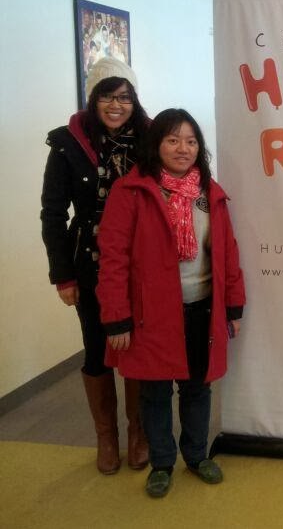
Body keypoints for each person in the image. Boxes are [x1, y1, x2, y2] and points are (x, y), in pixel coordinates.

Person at [96, 108, 246, 498]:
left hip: (202, 309)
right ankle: (162, 463)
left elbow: (227, 253)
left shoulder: (210, 194)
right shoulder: (131, 192)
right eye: (173, 140)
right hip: (151, 315)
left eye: (191, 141)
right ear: (156, 144)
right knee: (155, 393)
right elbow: (113, 259)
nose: (183, 148)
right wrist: (116, 318)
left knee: (197, 389)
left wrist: (233, 306)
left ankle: (196, 456)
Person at [40, 57, 150, 474]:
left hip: (141, 261)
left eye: (124, 97)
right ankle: (107, 438)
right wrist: (62, 276)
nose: (116, 105)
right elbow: (53, 213)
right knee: (97, 349)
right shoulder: (67, 143)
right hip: (89, 262)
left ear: (134, 100)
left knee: (138, 347)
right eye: (107, 96)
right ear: (93, 99)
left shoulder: (151, 138)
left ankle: (138, 433)